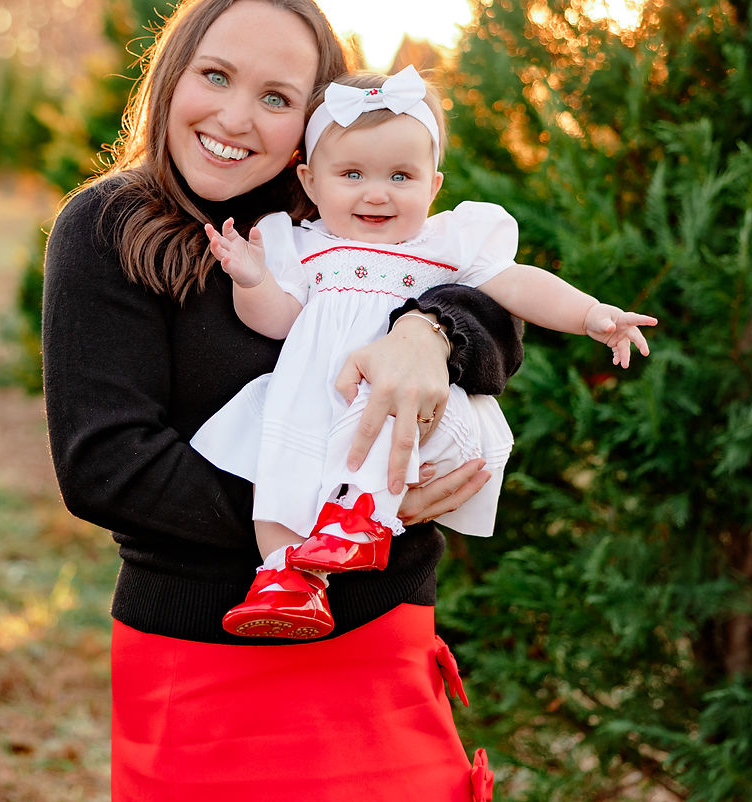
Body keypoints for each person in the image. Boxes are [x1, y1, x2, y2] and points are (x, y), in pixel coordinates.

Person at [43, 0, 527, 802]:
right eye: (213, 77)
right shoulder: (109, 229)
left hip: (373, 666)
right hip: (205, 674)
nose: (232, 117)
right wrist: (349, 523)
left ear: (313, 128)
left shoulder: (337, 212)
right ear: (171, 79)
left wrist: (426, 334)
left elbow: (487, 301)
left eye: (275, 97)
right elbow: (106, 464)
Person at [194, 65, 656, 641]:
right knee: (280, 469)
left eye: (401, 175)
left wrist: (591, 314)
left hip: (410, 407)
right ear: (311, 183)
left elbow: (515, 284)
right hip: (315, 396)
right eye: (353, 173)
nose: (377, 192)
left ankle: (358, 520)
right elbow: (278, 320)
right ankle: (288, 581)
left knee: (392, 422)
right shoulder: (305, 247)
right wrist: (250, 279)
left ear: (434, 186)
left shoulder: (442, 245)